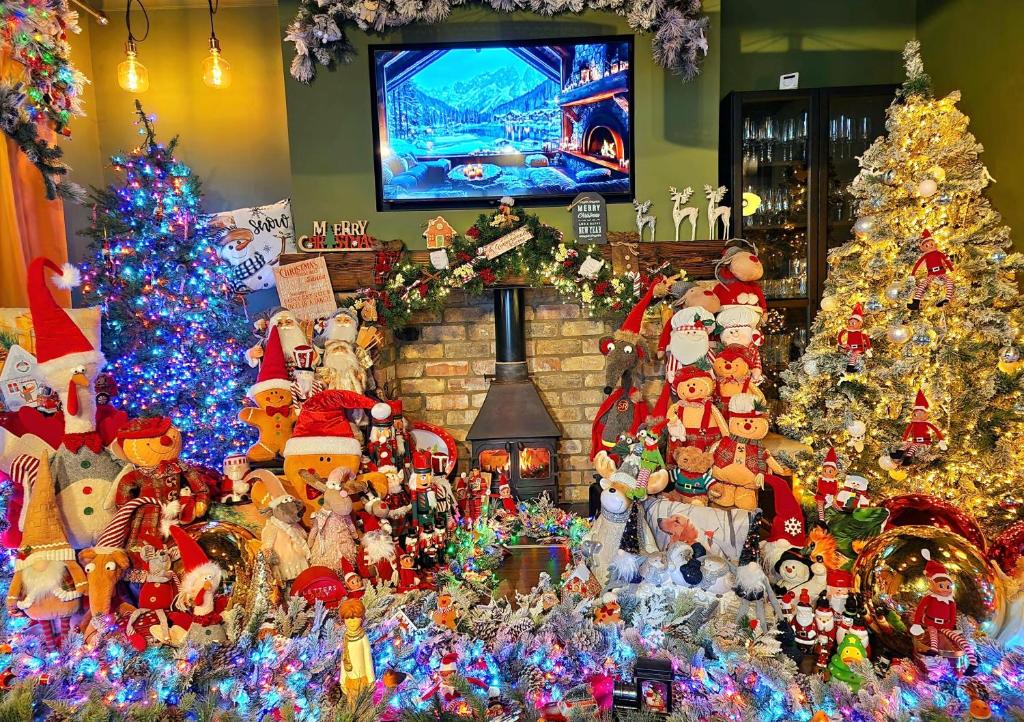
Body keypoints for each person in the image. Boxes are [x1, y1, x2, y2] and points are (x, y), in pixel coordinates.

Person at [339, 598, 375, 696]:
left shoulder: (363, 638)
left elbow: (368, 659)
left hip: (362, 680)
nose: (351, 622)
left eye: (355, 618)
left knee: (364, 704)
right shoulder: (346, 638)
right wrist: (342, 680)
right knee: (352, 707)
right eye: (348, 619)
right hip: (349, 680)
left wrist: (371, 679)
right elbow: (344, 659)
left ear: (361, 619)